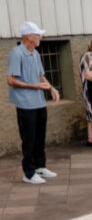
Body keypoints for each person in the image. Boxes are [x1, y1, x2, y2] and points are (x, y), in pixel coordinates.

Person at [7, 21, 60, 184]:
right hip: (25, 104)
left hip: (39, 102)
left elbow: (40, 75)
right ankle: (28, 173)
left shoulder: (35, 53)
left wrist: (52, 88)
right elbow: (10, 80)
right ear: (29, 37)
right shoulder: (16, 53)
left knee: (39, 137)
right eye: (38, 35)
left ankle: (40, 167)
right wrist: (34, 86)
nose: (40, 37)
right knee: (29, 139)